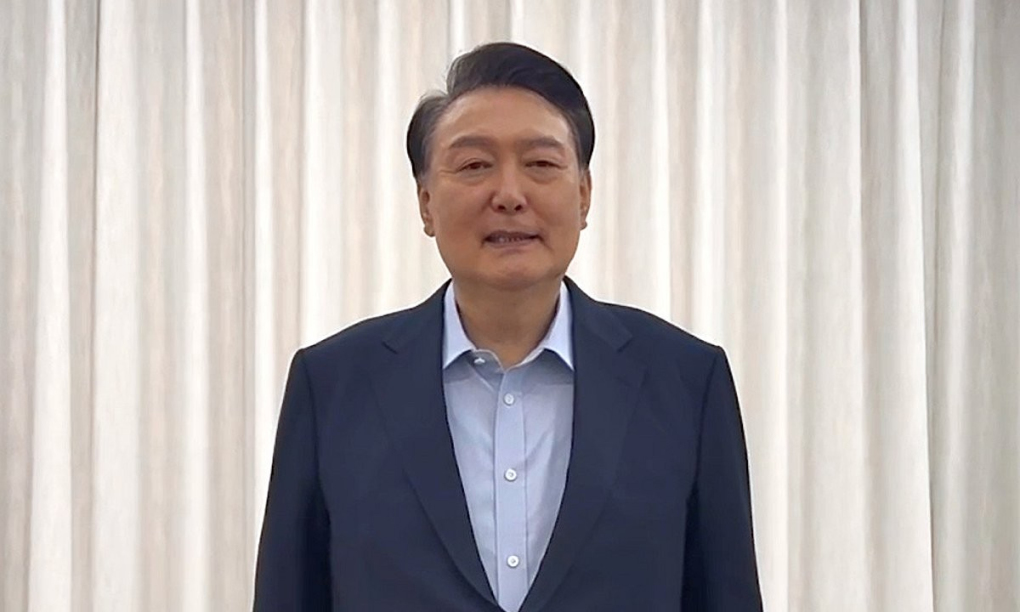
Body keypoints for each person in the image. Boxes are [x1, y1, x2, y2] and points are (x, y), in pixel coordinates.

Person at [253, 41, 763, 612]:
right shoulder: (332, 385)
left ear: (584, 195)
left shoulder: (685, 381)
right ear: (426, 203)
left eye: (541, 164)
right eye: (475, 165)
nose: (510, 195)